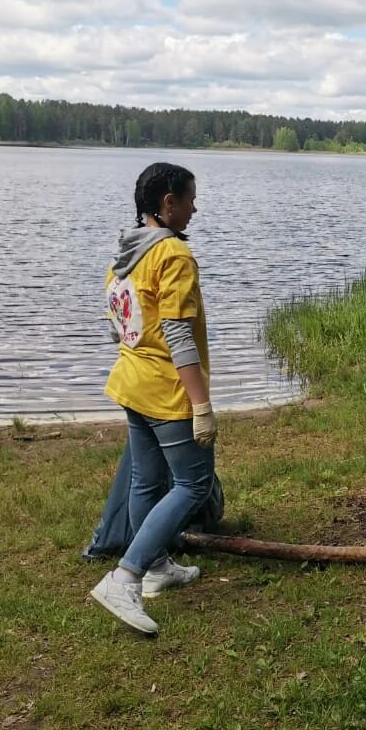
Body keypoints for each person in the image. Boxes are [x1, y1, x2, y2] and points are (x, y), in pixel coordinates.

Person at [89, 162, 217, 634]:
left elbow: (120, 323)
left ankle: (158, 567)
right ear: (168, 203)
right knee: (193, 484)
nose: (194, 208)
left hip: (131, 380)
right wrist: (200, 405)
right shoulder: (173, 256)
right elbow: (178, 335)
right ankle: (125, 577)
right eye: (189, 199)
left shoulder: (124, 255)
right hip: (166, 390)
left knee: (146, 480)